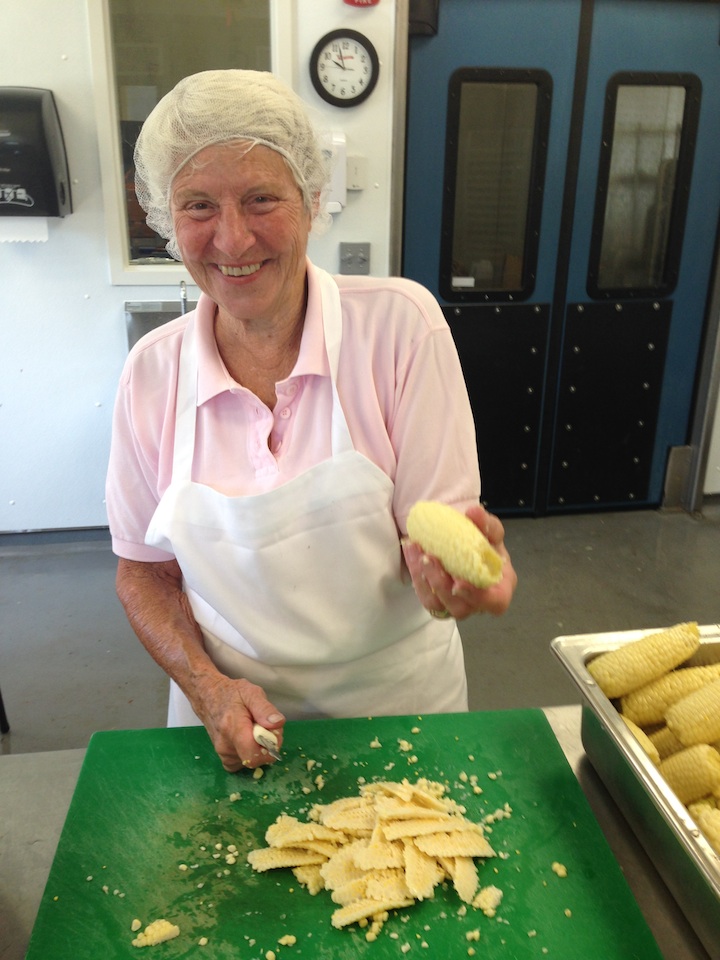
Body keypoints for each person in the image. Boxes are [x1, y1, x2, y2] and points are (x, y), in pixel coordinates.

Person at [106, 70, 517, 774]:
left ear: (312, 198)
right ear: (164, 218)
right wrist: (207, 690)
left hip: (399, 712)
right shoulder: (152, 373)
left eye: (262, 197)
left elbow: (439, 527)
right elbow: (144, 574)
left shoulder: (399, 326)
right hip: (227, 722)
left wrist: (450, 574)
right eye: (198, 204)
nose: (232, 240)